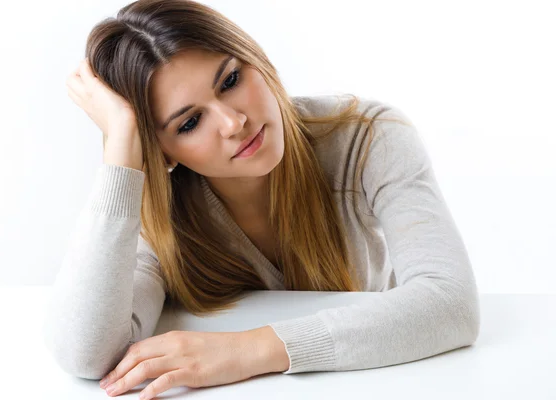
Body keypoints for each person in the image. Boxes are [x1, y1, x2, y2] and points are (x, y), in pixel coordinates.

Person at [44, 0, 481, 398]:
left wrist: (245, 352)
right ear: (161, 152)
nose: (234, 122)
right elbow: (85, 354)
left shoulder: (365, 136)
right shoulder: (161, 212)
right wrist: (121, 143)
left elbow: (450, 301)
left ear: (255, 57)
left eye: (231, 79)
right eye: (190, 122)